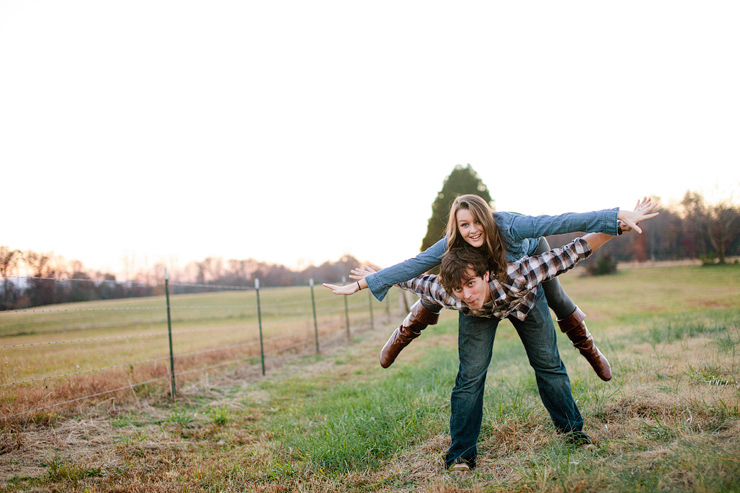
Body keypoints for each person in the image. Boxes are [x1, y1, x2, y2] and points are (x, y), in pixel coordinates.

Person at [324, 195, 658, 471]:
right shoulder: (454, 281)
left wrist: (615, 219)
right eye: (463, 224)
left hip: (523, 296)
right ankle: (461, 455)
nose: (471, 230)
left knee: (549, 357)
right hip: (478, 308)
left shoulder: (515, 245)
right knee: (468, 377)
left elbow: (567, 237)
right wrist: (368, 280)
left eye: (475, 222)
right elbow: (414, 272)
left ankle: (573, 432)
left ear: (487, 217)